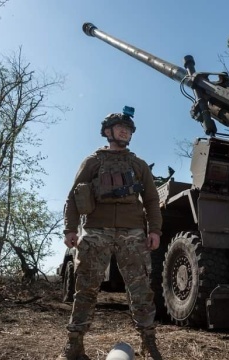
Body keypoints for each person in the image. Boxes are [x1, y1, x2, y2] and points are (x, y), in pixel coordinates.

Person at [58, 106, 163, 360]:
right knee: (85, 288)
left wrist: (155, 230)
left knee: (141, 290)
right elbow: (74, 196)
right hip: (95, 231)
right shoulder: (93, 161)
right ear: (107, 132)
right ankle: (74, 346)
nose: (125, 131)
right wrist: (70, 228)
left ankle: (149, 343)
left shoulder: (138, 165)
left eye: (128, 129)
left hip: (133, 232)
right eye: (120, 128)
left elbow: (151, 199)